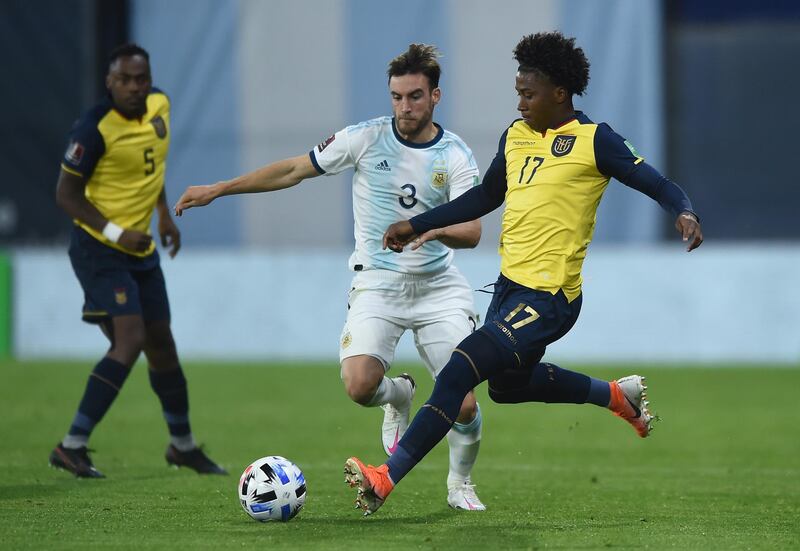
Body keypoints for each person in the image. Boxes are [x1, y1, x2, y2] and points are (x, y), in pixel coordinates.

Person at [343, 31, 704, 516]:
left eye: (528, 93)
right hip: (510, 288)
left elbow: (657, 182)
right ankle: (617, 395)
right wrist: (418, 223)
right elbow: (485, 197)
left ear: (559, 93)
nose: (520, 101)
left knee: (459, 369)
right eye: (518, 92)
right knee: (507, 388)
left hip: (551, 298)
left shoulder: (596, 141)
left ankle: (386, 477)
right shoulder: (515, 135)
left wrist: (684, 211)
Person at [175, 44, 487, 510]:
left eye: (415, 97)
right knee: (360, 386)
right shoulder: (365, 138)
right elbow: (295, 169)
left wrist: (431, 227)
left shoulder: (455, 155)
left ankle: (459, 484)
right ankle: (398, 393)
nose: (405, 107)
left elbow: (473, 231)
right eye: (397, 97)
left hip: (439, 287)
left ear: (435, 96)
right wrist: (221, 189)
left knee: (462, 403)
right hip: (378, 284)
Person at [50, 43, 226, 478]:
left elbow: (151, 166)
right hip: (100, 249)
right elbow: (65, 195)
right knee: (129, 339)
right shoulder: (93, 129)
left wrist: (163, 213)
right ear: (109, 82)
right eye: (124, 80)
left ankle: (182, 446)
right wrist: (115, 232)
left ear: (150, 80)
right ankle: (71, 445)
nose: (134, 87)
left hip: (141, 250)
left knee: (162, 343)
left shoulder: (159, 106)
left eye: (140, 78)